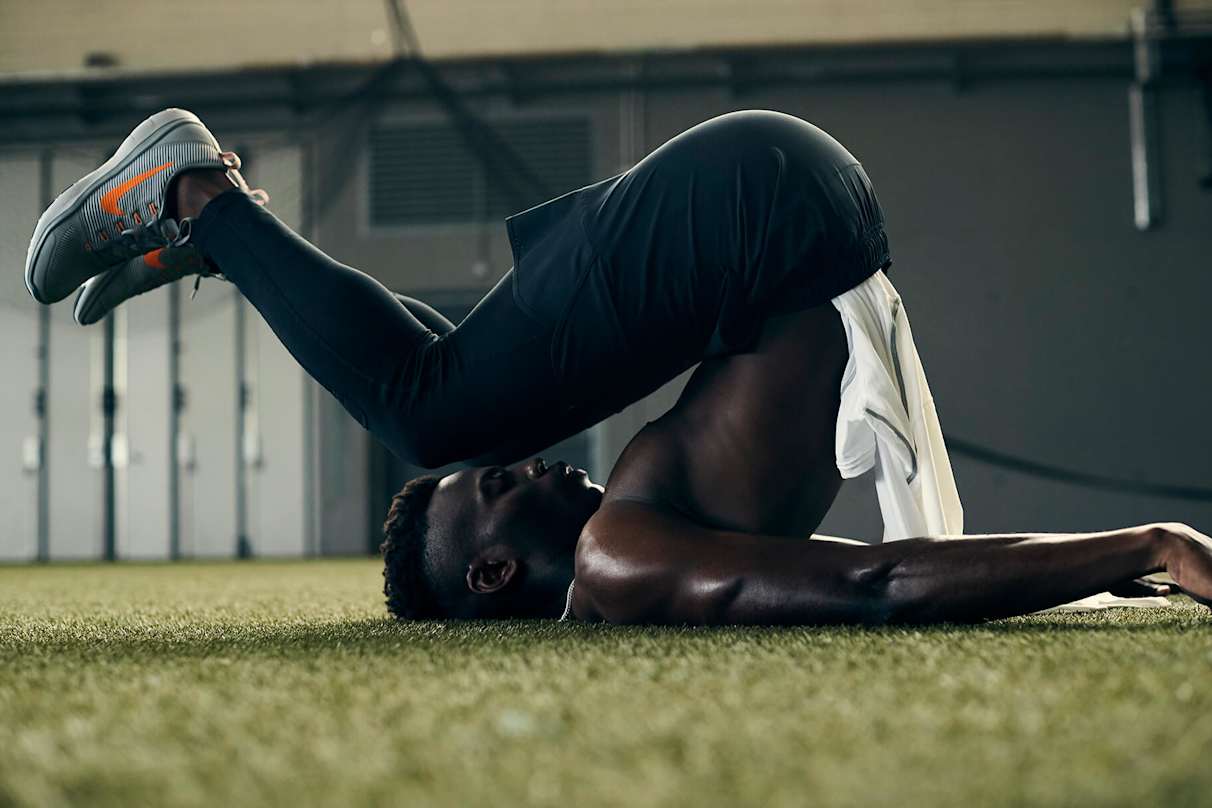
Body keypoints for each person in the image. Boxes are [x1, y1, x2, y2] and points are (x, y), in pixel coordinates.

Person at [25, 108, 1212, 625]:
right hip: (773, 213)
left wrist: (1159, 543)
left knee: (431, 412)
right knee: (439, 392)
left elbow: (878, 587)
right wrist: (1128, 559)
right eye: (501, 489)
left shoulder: (627, 549)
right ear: (493, 576)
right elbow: (892, 573)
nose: (527, 462)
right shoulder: (644, 550)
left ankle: (195, 197)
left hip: (762, 214)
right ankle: (224, 248)